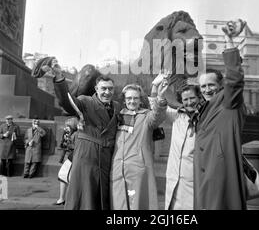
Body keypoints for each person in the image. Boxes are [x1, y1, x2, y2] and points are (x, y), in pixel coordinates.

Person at [46, 60, 121, 210]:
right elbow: (66, 102)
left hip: (106, 159)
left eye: (110, 89)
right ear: (96, 89)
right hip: (87, 156)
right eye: (103, 88)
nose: (107, 92)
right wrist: (60, 78)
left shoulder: (117, 106)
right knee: (83, 197)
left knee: (102, 199)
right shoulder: (85, 102)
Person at [194, 19, 247, 210]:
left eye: (211, 85)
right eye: (203, 87)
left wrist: (229, 40)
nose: (207, 90)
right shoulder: (202, 110)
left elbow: (235, 76)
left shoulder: (228, 102)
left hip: (223, 179)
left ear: (220, 86)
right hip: (203, 178)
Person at [110, 81, 168, 210]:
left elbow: (158, 116)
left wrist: (160, 99)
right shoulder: (118, 116)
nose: (132, 101)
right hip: (117, 170)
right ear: (124, 100)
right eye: (129, 98)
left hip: (138, 171)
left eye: (135, 98)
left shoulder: (147, 116)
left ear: (140, 100)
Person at [150, 73, 204, 210]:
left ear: (200, 98)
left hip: (195, 182)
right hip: (174, 181)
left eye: (192, 98)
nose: (189, 102)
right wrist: (155, 87)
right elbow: (157, 108)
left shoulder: (207, 120)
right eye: (185, 99)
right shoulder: (177, 116)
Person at [55, 117, 78, 206]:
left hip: (72, 158)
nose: (66, 128)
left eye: (67, 126)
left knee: (66, 176)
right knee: (63, 177)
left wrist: (68, 141)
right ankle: (62, 198)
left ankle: (67, 199)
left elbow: (76, 147)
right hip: (68, 158)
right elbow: (62, 145)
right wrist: (65, 139)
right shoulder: (69, 134)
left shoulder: (76, 134)